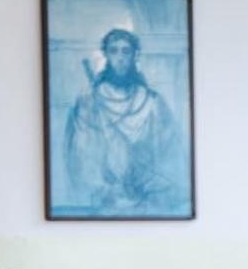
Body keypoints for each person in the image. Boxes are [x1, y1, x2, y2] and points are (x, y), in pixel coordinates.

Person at [64, 28, 186, 213]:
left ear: (134, 55)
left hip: (149, 197)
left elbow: (169, 153)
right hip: (108, 199)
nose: (120, 58)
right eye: (114, 51)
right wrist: (106, 187)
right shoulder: (89, 100)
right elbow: (82, 154)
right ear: (106, 55)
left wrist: (149, 182)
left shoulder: (152, 101)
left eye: (126, 51)